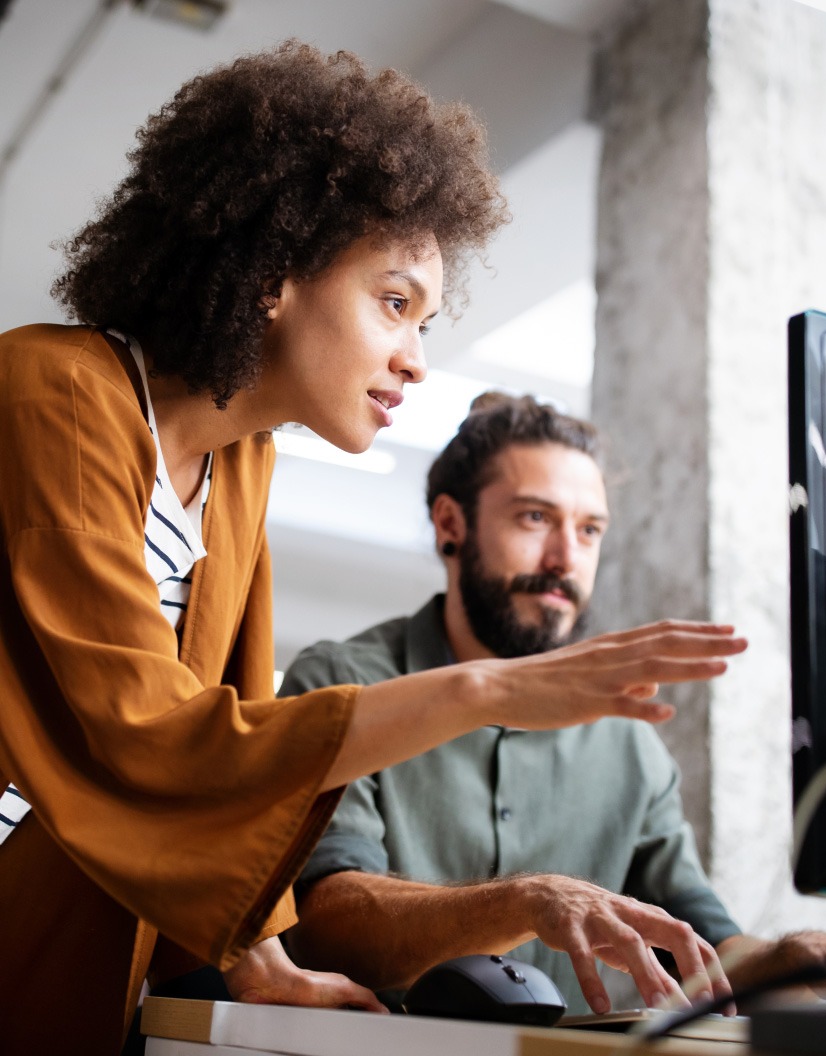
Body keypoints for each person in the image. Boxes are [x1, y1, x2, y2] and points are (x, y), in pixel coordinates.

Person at [0, 41, 748, 1055]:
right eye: (394, 303)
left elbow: (238, 741)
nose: (413, 358)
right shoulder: (54, 391)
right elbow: (156, 740)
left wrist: (271, 968)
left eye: (426, 320)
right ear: (272, 272)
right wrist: (482, 693)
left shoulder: (242, 464)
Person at [284, 392, 826, 1017]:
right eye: (535, 518)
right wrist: (524, 903)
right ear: (450, 525)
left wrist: (792, 957)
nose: (566, 560)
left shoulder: (626, 741)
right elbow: (326, 926)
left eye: (589, 530)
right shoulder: (341, 684)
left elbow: (709, 947)